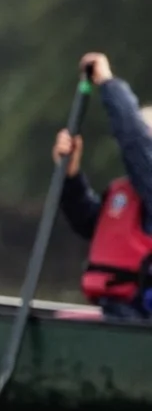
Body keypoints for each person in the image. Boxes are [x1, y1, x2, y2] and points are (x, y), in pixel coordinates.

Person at [54, 52, 152, 319]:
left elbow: (133, 140)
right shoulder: (127, 193)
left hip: (142, 321)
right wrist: (71, 175)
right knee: (63, 320)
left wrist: (108, 82)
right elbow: (89, 223)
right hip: (117, 314)